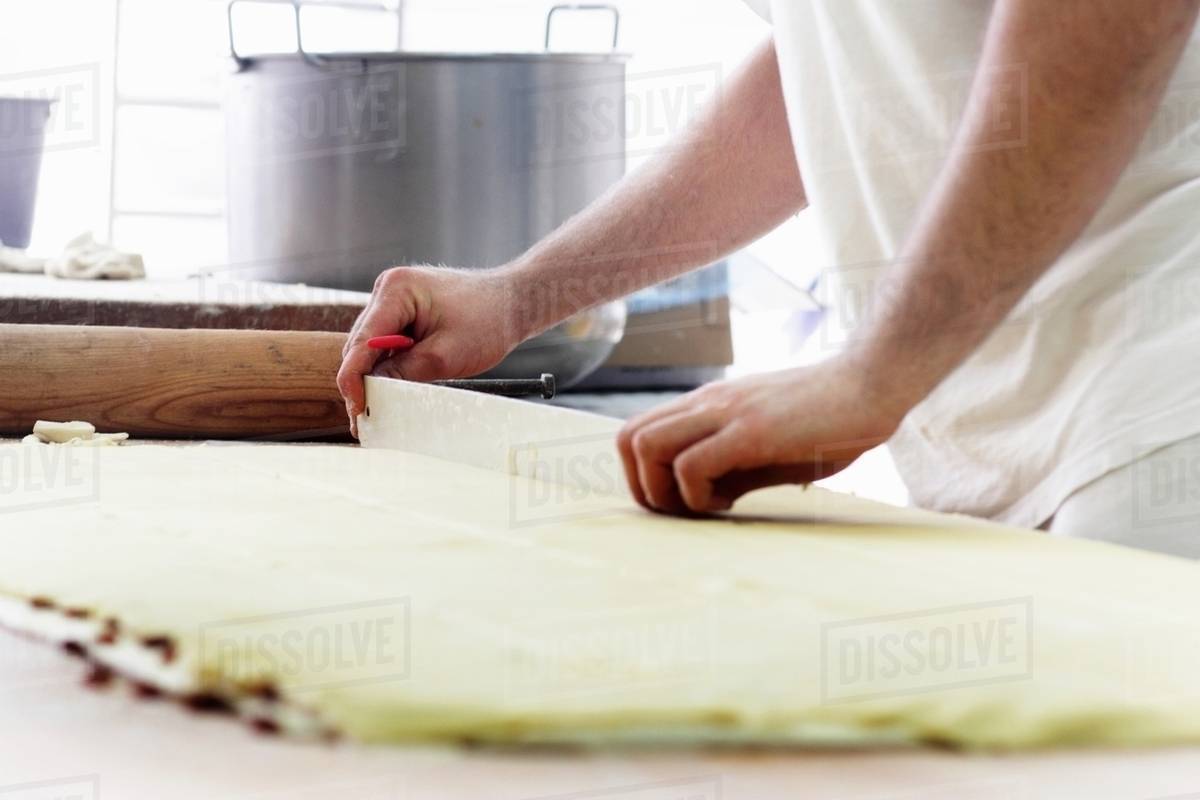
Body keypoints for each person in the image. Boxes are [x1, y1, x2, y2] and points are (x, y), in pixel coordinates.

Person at [339, 1, 1200, 557]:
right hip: (1002, 458)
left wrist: (877, 373)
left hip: (1160, 413)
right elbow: (823, 78)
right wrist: (519, 294)